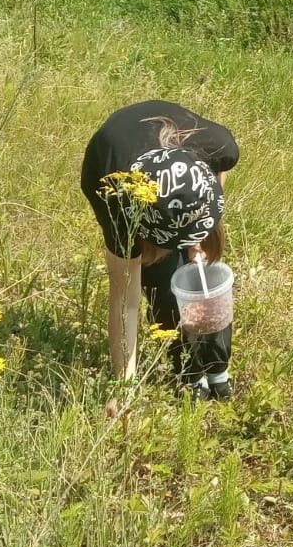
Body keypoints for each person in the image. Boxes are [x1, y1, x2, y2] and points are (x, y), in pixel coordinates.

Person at [80, 100, 238, 400]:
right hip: (113, 160)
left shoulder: (219, 145)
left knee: (200, 278)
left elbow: (216, 174)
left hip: (181, 150)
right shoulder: (118, 209)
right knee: (162, 281)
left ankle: (215, 368)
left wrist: (197, 237)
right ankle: (188, 373)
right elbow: (124, 304)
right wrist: (124, 386)